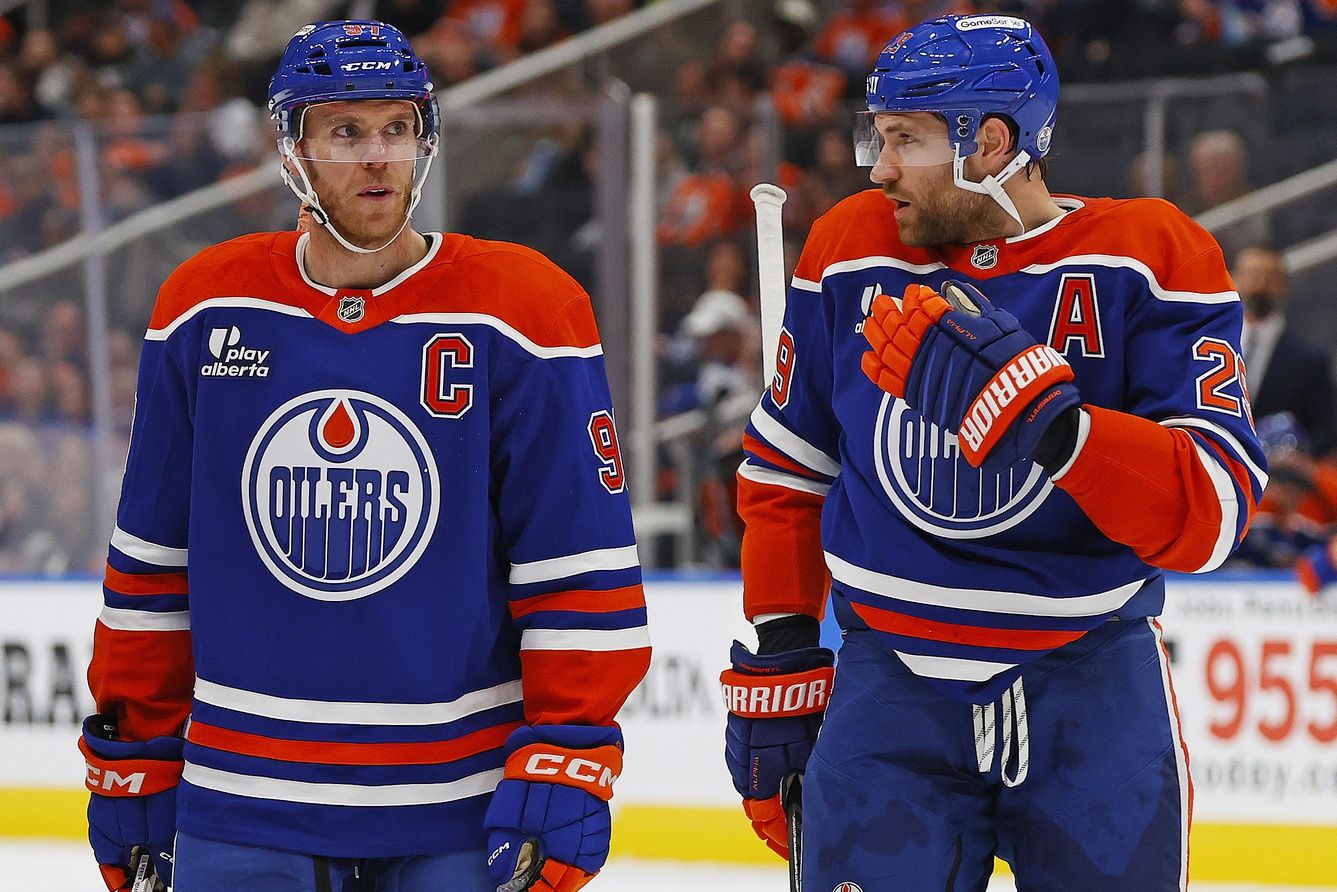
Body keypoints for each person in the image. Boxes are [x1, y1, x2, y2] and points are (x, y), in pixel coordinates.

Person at [80, 20, 650, 892]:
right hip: (242, 802)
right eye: (345, 131)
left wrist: (566, 755)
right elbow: (153, 562)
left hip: (459, 806)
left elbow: (578, 569)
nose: (377, 157)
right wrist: (136, 753)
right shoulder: (203, 307)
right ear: (294, 149)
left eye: (396, 128)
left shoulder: (523, 311)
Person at [720, 15, 1266, 890]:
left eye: (905, 139)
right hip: (887, 689)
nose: (878, 166)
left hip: (1088, 688)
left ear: (992, 142)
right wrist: (785, 647)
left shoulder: (1150, 258)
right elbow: (787, 472)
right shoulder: (851, 248)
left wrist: (1059, 431)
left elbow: (1212, 514)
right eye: (878, 135)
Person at [1233, 243, 1337, 456]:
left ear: (1283, 284)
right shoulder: (1205, 346)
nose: (1260, 285)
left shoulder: (1309, 360)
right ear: (1234, 279)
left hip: (1282, 481)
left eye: (1270, 277)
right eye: (1252, 275)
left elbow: (1325, 430)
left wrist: (1295, 456)